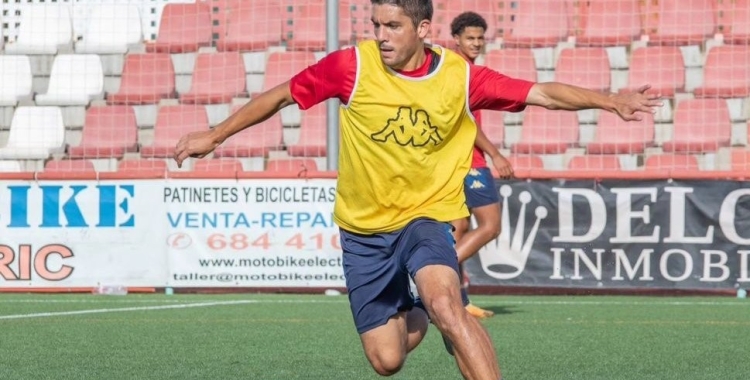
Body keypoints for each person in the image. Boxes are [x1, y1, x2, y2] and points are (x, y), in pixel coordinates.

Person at [172, 1, 661, 378]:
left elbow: (542, 93)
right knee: (387, 360)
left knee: (450, 305)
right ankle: (417, 308)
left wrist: (609, 100)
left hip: (426, 219)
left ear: (422, 29)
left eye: (393, 27)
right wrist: (214, 136)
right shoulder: (351, 67)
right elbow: (281, 95)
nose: (381, 36)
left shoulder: (458, 75)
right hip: (364, 232)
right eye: (376, 25)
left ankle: (434, 303)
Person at [449, 11, 511, 319]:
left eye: (479, 38)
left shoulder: (463, 69)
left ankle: (458, 300)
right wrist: (496, 155)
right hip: (469, 162)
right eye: (469, 38)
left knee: (459, 230)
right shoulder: (458, 71)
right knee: (490, 225)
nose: (476, 43)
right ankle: (435, 277)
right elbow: (466, 122)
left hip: (453, 163)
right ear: (456, 39)